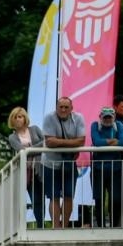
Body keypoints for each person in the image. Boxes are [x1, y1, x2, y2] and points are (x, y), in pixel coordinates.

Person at [40, 96, 86, 229]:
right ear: (56, 108)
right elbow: (49, 142)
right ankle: (56, 227)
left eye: (66, 107)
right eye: (61, 107)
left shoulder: (79, 118)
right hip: (50, 163)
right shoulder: (49, 118)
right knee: (53, 197)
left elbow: (81, 141)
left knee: (68, 195)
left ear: (72, 108)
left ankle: (64, 227)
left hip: (69, 163)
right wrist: (72, 144)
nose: (63, 109)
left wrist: (58, 141)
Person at [88, 107, 123, 230]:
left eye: (109, 117)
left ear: (114, 117)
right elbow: (96, 142)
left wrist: (105, 142)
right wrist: (112, 141)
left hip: (116, 169)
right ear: (100, 117)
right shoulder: (95, 125)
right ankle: (100, 227)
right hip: (98, 169)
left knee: (116, 199)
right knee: (99, 199)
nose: (107, 119)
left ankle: (114, 227)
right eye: (105, 117)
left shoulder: (119, 125)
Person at [6, 107, 47, 228]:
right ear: (12, 120)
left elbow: (46, 142)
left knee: (43, 199)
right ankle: (40, 226)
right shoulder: (12, 137)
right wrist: (35, 148)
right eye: (15, 117)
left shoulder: (34, 129)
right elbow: (21, 150)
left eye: (20, 116)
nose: (18, 119)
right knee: (35, 200)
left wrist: (30, 149)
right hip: (26, 172)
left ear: (25, 118)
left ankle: (43, 225)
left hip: (41, 168)